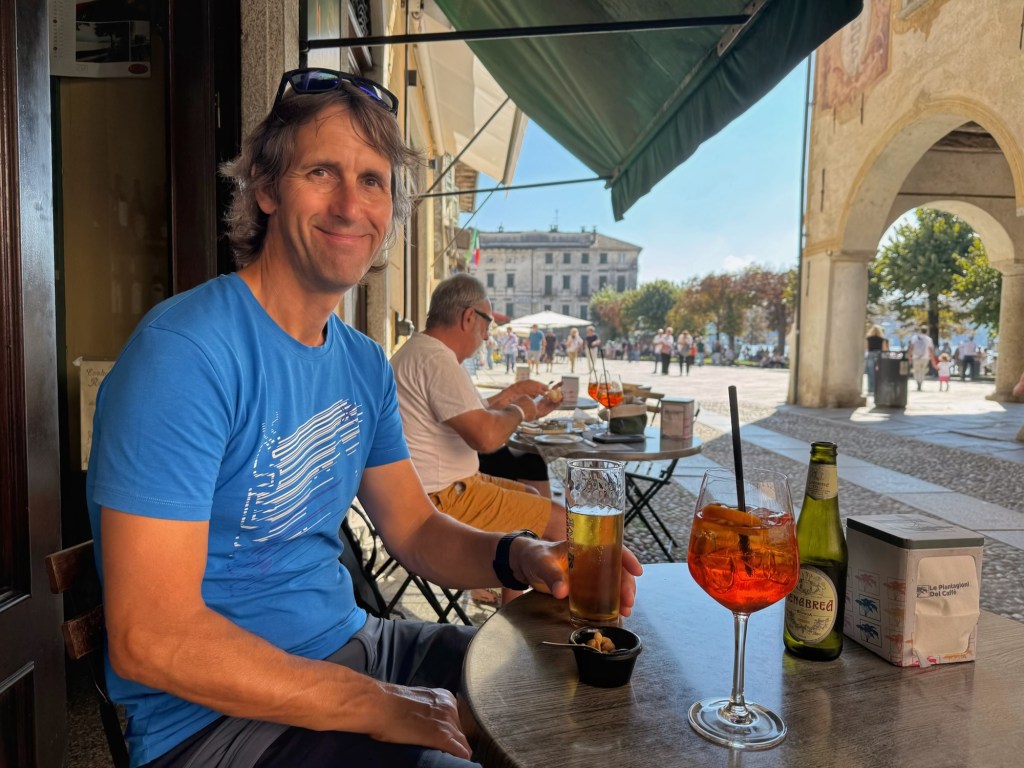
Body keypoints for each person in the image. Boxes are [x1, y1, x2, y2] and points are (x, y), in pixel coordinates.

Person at [86, 69, 641, 768]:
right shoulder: (186, 354)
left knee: (574, 688)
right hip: (213, 723)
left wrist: (520, 553)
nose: (351, 205)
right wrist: (377, 705)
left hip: (357, 645)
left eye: (373, 180)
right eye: (322, 171)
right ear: (265, 188)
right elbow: (152, 640)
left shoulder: (361, 362)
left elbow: (415, 529)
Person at [391, 274, 571, 601]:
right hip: (442, 498)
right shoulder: (435, 359)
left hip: (441, 488)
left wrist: (515, 396)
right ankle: (553, 613)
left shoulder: (423, 352)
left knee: (531, 495)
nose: (487, 335)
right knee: (563, 526)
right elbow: (486, 437)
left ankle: (512, 611)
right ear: (468, 317)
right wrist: (521, 410)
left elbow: (471, 412)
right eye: (487, 323)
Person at [908, 326, 935, 391]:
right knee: (922, 371)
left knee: (916, 370)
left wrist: (909, 356)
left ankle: (918, 382)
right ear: (927, 331)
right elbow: (930, 350)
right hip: (925, 357)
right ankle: (920, 382)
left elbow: (911, 347)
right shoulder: (928, 339)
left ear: (920, 330)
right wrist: (933, 359)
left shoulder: (914, 338)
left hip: (915, 357)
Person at [864, 324, 889, 395]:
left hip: (871, 354)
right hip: (879, 355)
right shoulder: (882, 339)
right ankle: (878, 389)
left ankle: (870, 389)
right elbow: (885, 349)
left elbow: (866, 348)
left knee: (870, 373)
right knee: (879, 373)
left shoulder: (868, 338)